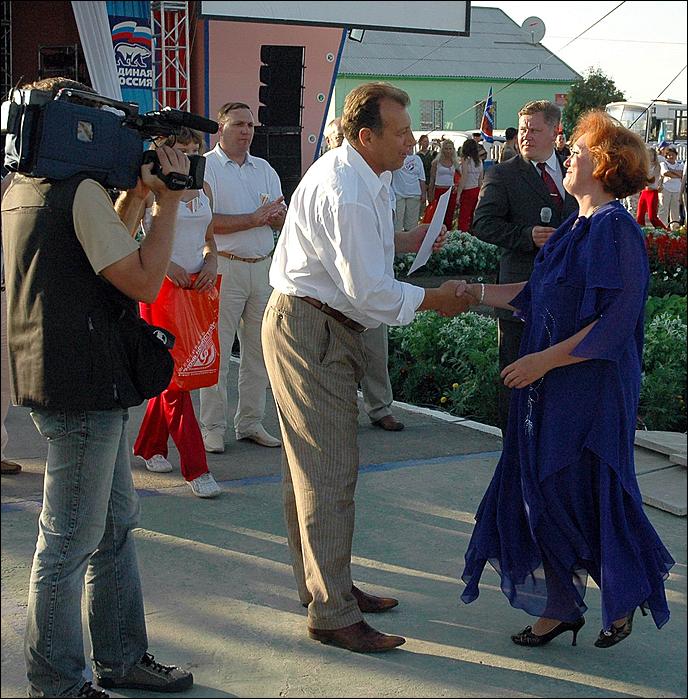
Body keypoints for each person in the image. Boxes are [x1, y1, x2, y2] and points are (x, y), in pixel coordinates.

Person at [262, 81, 472, 654]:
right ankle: (332, 612)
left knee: (310, 470)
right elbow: (369, 290)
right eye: (401, 133)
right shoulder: (350, 189)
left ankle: (325, 586)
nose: (411, 143)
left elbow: (352, 257)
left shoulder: (362, 176)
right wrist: (435, 299)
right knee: (328, 471)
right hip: (313, 329)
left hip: (318, 323)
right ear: (365, 135)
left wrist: (407, 240)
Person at [1, 77, 194, 697]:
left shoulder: (24, 187)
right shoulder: (78, 190)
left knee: (111, 527)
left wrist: (137, 195)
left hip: (57, 372)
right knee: (70, 541)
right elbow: (139, 281)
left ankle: (121, 656)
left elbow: (99, 251)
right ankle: (57, 680)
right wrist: (168, 202)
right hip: (85, 381)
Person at [459, 110, 675, 650]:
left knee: (589, 489)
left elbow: (615, 325)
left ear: (602, 165)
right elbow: (532, 296)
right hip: (551, 384)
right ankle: (559, 605)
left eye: (576, 150)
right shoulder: (574, 227)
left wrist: (543, 362)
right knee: (542, 488)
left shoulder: (615, 229)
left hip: (590, 388)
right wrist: (471, 293)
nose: (567, 156)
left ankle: (623, 592)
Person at [472, 100, 578, 431]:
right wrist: (526, 235)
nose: (525, 137)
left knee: (558, 380)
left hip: (567, 291)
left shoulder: (573, 170)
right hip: (519, 294)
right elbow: (482, 224)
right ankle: (514, 445)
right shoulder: (502, 174)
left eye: (534, 129)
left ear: (555, 131)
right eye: (522, 129)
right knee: (516, 378)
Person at [132, 128, 222, 498]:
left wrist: (211, 262)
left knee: (181, 371)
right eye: (180, 150)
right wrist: (166, 266)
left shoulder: (204, 188)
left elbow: (209, 240)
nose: (187, 157)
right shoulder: (149, 187)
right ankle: (197, 468)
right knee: (174, 374)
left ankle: (149, 445)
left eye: (193, 150)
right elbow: (129, 237)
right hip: (159, 288)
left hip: (197, 288)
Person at [199, 101, 286, 454]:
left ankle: (250, 422)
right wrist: (253, 219)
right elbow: (205, 222)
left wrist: (276, 218)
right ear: (221, 128)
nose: (246, 131)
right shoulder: (206, 167)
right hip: (224, 267)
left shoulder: (264, 168)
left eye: (250, 125)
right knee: (218, 353)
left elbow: (280, 217)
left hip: (262, 267)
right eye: (238, 124)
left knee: (259, 352)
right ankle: (212, 427)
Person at [424, 138, 461, 230]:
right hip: (439, 190)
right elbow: (432, 179)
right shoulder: (436, 162)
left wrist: (457, 186)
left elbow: (462, 176)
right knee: (438, 215)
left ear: (453, 150)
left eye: (450, 149)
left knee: (449, 215)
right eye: (446, 148)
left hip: (450, 191)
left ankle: (447, 234)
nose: (448, 151)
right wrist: (430, 194)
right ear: (442, 149)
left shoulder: (455, 162)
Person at [392, 143, 427, 232]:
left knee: (412, 225)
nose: (409, 148)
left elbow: (422, 177)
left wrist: (423, 193)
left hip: (414, 194)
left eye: (411, 146)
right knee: (397, 224)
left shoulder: (417, 159)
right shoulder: (395, 158)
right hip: (399, 194)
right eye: (407, 146)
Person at [454, 138, 484, 232]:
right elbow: (480, 179)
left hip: (467, 190)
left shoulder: (465, 160)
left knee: (464, 217)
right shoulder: (479, 161)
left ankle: (463, 236)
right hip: (476, 190)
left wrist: (458, 194)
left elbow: (464, 177)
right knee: (473, 217)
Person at [636, 147, 668, 230]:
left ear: (654, 156)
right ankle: (642, 232)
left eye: (651, 155)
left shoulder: (657, 166)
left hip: (652, 192)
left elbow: (650, 179)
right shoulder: (645, 166)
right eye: (648, 155)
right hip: (644, 192)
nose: (649, 157)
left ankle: (665, 231)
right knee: (639, 216)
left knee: (652, 217)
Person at [659, 146, 683, 227]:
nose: (671, 156)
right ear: (666, 156)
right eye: (669, 155)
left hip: (677, 190)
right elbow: (665, 173)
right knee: (663, 210)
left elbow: (682, 174)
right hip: (666, 189)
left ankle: (674, 228)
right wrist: (677, 174)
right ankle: (662, 228)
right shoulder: (663, 164)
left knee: (675, 211)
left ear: (676, 155)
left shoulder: (680, 165)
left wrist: (671, 170)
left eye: (673, 155)